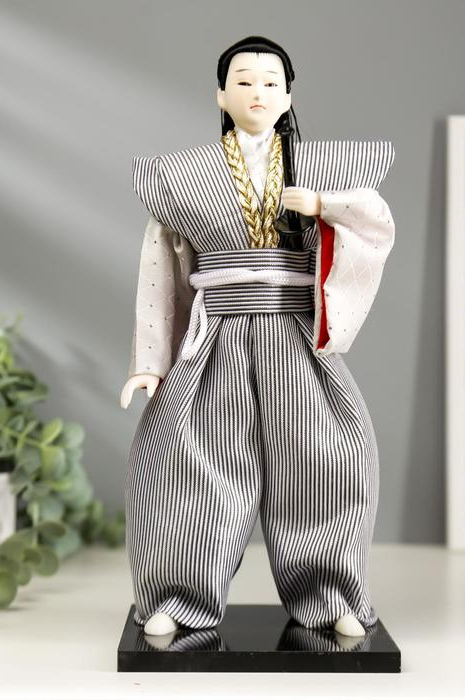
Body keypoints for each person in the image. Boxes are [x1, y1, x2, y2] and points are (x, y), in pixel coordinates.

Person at [120, 36, 395, 639]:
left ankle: (332, 594)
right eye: (243, 81)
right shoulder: (182, 176)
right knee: (188, 463)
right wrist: (149, 361)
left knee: (327, 462)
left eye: (271, 83)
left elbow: (374, 223)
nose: (258, 93)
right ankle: (176, 595)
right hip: (216, 337)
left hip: (295, 335)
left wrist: (324, 204)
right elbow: (161, 269)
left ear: (289, 95)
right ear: (221, 95)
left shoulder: (329, 169)